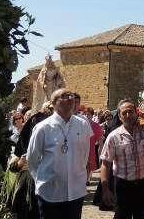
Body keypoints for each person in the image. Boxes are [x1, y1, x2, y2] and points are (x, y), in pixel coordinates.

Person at [27, 89, 93, 219]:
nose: (70, 98)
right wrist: (43, 180)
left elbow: (84, 154)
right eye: (64, 96)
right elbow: (32, 159)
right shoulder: (43, 128)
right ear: (53, 103)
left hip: (75, 191)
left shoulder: (83, 124)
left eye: (71, 95)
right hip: (49, 193)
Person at [101, 99, 144, 219]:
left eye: (131, 111)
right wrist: (105, 189)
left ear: (136, 113)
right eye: (124, 113)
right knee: (122, 216)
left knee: (142, 216)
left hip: (143, 184)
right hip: (123, 186)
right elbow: (105, 163)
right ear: (119, 116)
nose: (128, 115)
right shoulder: (113, 137)